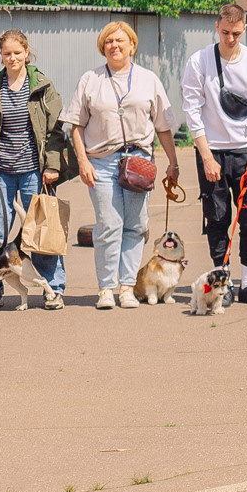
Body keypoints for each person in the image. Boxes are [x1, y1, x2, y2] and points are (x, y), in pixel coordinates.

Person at [61, 22, 180, 308]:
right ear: (103, 47)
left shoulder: (149, 79)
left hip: (139, 160)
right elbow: (75, 124)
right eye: (108, 41)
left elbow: (163, 125)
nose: (114, 45)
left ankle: (127, 287)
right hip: (101, 162)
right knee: (108, 224)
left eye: (120, 41)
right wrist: (82, 161)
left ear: (132, 45)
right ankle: (106, 289)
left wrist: (173, 163)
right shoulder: (90, 79)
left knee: (136, 225)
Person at [0, 30, 70, 310]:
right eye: (6, 53)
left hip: (34, 173)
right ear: (1, 55)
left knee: (42, 235)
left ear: (27, 52)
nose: (11, 58)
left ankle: (54, 290)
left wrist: (51, 165)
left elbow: (56, 129)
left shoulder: (43, 86)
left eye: (16, 52)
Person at [181, 3, 247, 306]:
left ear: (244, 28)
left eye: (236, 33)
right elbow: (192, 111)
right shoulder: (199, 61)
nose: (230, 38)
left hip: (246, 151)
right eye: (225, 33)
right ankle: (224, 280)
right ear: (216, 27)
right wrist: (206, 156)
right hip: (212, 151)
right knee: (218, 217)